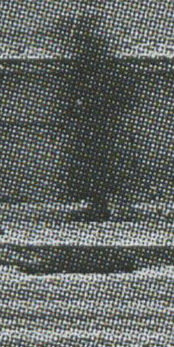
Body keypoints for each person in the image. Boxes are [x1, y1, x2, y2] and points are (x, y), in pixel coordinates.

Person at [64, 18, 138, 222]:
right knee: (98, 166)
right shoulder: (90, 64)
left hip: (101, 124)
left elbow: (122, 94)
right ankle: (103, 205)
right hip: (96, 124)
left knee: (105, 165)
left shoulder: (94, 65)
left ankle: (112, 205)